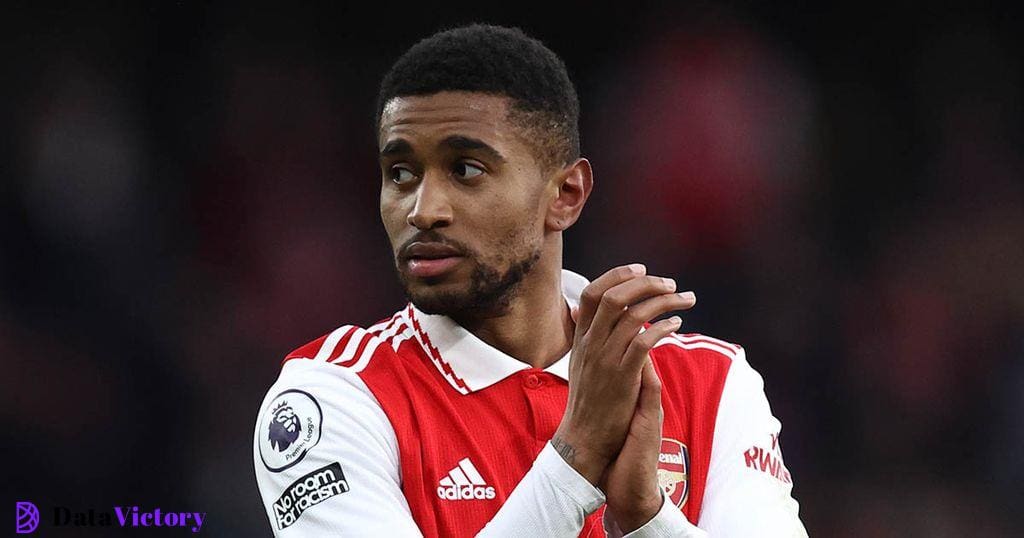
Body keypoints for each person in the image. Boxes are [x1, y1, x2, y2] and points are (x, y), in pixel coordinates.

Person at [253, 23, 807, 537]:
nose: (422, 210)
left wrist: (646, 518)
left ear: (565, 195)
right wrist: (576, 457)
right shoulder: (330, 398)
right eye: (400, 173)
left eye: (465, 169)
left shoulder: (710, 381)